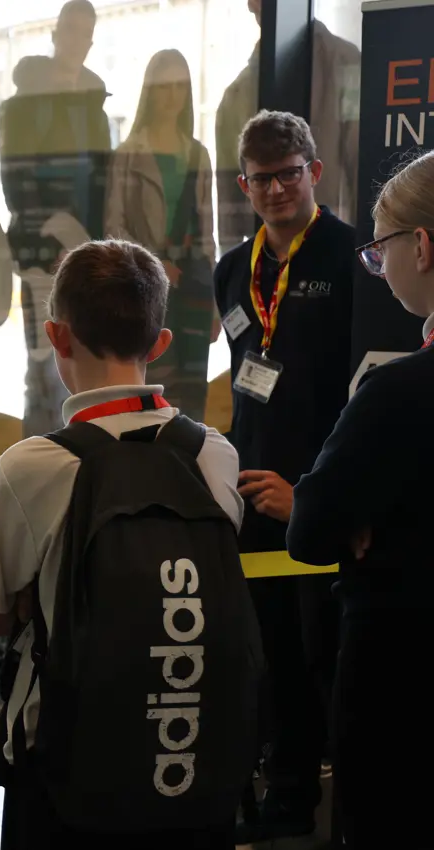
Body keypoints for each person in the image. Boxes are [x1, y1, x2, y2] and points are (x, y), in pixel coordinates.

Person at [0, 239, 243, 848]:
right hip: (196, 760)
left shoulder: (31, 465)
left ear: (57, 337)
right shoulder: (213, 455)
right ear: (161, 343)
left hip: (70, 770)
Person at [213, 110, 355, 844]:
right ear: (245, 184)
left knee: (319, 650)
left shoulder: (351, 257)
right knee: (263, 649)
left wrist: (319, 490)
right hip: (250, 487)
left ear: (314, 173)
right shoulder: (232, 269)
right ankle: (268, 781)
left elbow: (368, 391)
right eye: (261, 178)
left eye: (288, 173)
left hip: (321, 491)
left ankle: (305, 795)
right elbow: (245, 375)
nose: (275, 189)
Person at [287, 151, 434, 848]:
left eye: (381, 252)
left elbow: (312, 528)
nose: (377, 269)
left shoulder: (400, 392)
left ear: (423, 247)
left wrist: (361, 511)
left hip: (401, 682)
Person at [0, 0, 112, 437]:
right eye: (69, 29)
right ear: (56, 33)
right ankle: (37, 466)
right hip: (40, 251)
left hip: (88, 252)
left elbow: (103, 183)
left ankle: (76, 461)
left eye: (85, 32)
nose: (75, 40)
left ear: (89, 41)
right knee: (44, 364)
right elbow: (17, 182)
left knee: (85, 365)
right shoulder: (22, 105)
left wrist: (93, 243)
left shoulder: (94, 106)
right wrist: (55, 237)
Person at [106, 48, 219, 420]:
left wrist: (216, 303)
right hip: (144, 287)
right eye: (164, 86)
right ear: (149, 92)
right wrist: (152, 266)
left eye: (180, 87)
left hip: (192, 287)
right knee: (149, 392)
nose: (172, 96)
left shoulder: (198, 154)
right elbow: (113, 228)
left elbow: (207, 235)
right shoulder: (127, 154)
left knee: (191, 397)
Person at [215, 0, 360, 253]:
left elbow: (363, 169)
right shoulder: (234, 96)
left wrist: (365, 253)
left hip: (332, 251)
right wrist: (236, 263)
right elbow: (229, 198)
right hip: (262, 261)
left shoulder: (348, 65)